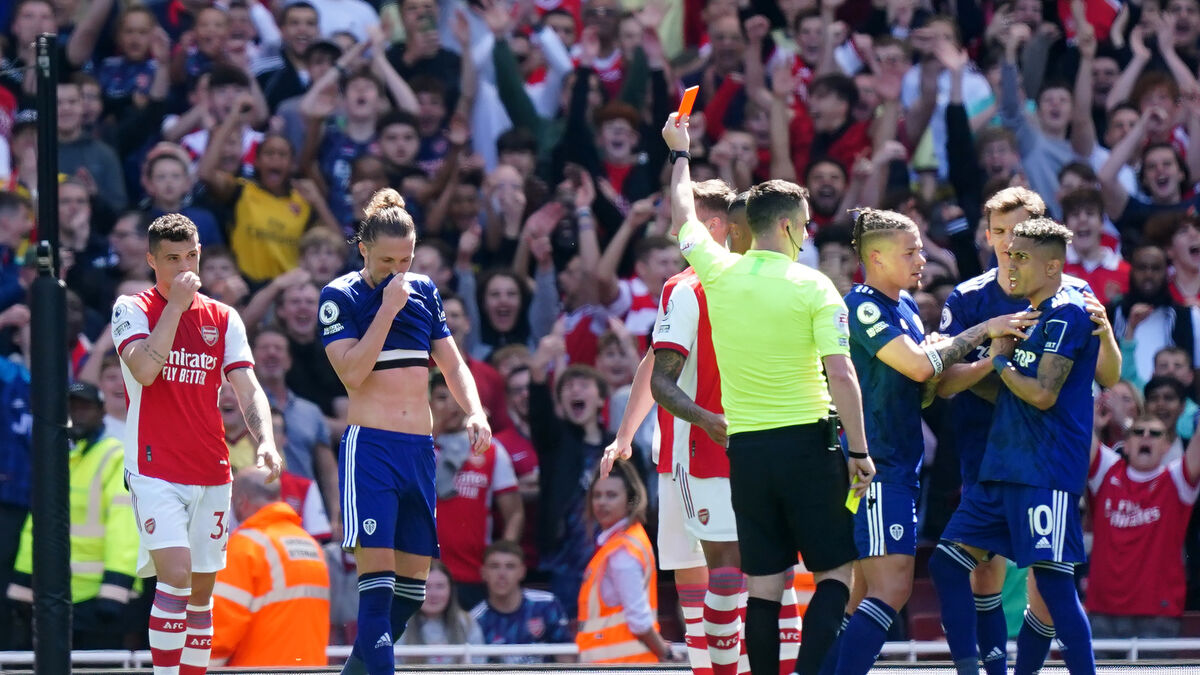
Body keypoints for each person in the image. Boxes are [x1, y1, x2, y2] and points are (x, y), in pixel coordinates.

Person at [662, 112, 875, 675]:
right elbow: (841, 375)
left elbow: (683, 213)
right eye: (803, 225)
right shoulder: (815, 286)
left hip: (748, 452)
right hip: (809, 445)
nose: (807, 235)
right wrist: (859, 451)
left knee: (763, 585)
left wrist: (680, 153)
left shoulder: (717, 272)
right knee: (835, 575)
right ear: (785, 226)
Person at [837, 209, 1033, 675]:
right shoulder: (862, 305)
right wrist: (983, 329)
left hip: (897, 464)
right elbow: (921, 366)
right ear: (876, 258)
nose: (922, 259)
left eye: (921, 250)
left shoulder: (905, 305)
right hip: (877, 464)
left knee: (860, 596)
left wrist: (987, 362)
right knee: (892, 589)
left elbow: (925, 387)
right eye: (911, 252)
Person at [934, 187, 1120, 675]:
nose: (1005, 245)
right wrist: (989, 350)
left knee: (1048, 588)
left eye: (1015, 234)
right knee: (976, 571)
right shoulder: (970, 297)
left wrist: (998, 361)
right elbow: (942, 383)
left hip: (1045, 458)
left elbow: (1095, 378)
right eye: (997, 233)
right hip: (987, 452)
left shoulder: (1073, 297)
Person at [319, 187, 491, 675]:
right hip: (371, 449)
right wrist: (388, 309)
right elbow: (352, 372)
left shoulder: (425, 291)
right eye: (387, 260)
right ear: (363, 249)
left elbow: (452, 364)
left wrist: (475, 411)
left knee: (413, 592)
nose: (398, 270)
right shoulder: (340, 296)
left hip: (419, 450)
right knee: (377, 591)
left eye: (407, 259)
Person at [111, 212, 282, 675]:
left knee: (202, 597)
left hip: (211, 469)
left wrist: (265, 440)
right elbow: (145, 370)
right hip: (154, 466)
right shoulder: (131, 308)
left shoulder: (223, 318)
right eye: (172, 258)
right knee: (176, 576)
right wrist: (175, 307)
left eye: (191, 255)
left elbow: (247, 387)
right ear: (152, 260)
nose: (185, 267)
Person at [7, 382, 139, 649]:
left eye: (84, 407)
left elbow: (124, 526)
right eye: (71, 408)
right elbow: (36, 523)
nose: (77, 414)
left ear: (102, 412)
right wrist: (23, 583)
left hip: (99, 597)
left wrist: (115, 587)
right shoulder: (62, 457)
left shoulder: (116, 456)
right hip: (55, 594)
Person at [1088, 414, 1200, 640]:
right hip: (1102, 612)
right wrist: (1093, 424)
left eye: (1155, 433)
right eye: (1138, 432)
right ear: (1126, 445)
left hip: (1157, 614)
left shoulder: (1177, 479)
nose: (1146, 437)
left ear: (1166, 446)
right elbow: (1080, 433)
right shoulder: (1107, 471)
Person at [210, 466, 331, 667]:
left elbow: (221, 632)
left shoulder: (245, 546)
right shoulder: (311, 546)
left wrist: (197, 665)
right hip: (312, 667)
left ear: (240, 501)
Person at [577, 459, 674, 662]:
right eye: (597, 495)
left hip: (624, 665)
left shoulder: (622, 552)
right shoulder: (625, 542)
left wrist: (666, 655)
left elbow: (639, 621)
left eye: (611, 495)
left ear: (631, 500)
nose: (601, 502)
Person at [471, 540, 573, 664]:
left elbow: (566, 658)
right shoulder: (475, 620)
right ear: (483, 573)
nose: (502, 574)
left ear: (522, 572)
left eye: (510, 566)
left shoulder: (546, 605)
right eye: (494, 566)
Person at [400, 560, 486, 664]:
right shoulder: (400, 625)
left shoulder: (466, 622)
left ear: (451, 590)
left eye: (440, 586)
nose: (433, 594)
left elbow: (479, 664)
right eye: (426, 587)